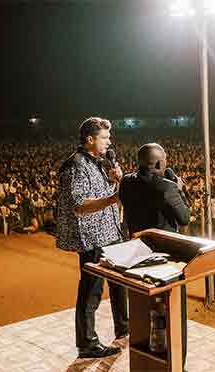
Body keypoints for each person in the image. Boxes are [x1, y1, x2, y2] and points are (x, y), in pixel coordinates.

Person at [55, 117, 127, 359]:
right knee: (91, 291)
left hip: (108, 233)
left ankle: (124, 327)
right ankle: (87, 343)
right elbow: (79, 205)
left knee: (119, 283)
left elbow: (97, 192)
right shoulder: (77, 165)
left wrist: (114, 180)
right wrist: (113, 198)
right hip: (93, 239)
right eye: (105, 137)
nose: (109, 141)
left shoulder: (95, 162)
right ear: (90, 139)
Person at [119, 143, 190, 368]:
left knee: (142, 308)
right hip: (165, 260)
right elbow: (185, 217)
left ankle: (145, 362)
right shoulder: (167, 188)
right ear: (159, 163)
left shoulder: (126, 182)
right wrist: (178, 188)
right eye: (165, 161)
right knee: (173, 313)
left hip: (137, 255)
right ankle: (176, 363)